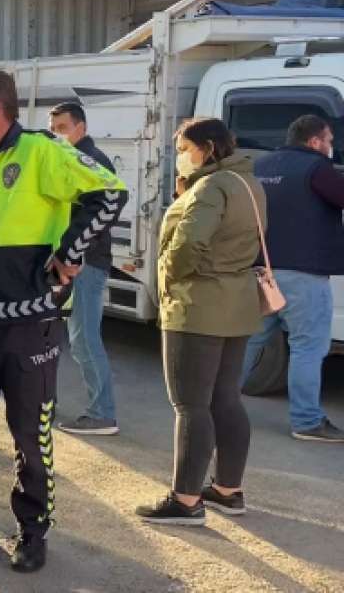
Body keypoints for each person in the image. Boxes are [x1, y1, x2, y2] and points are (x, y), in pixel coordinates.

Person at [0, 69, 126, 573]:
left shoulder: (42, 151)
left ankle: (32, 531)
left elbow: (109, 192)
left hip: (26, 325)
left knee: (29, 435)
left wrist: (70, 250)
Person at [135, 118, 262, 524]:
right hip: (237, 303)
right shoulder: (247, 183)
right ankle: (228, 490)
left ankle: (186, 500)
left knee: (191, 405)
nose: (180, 157)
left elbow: (189, 243)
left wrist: (168, 276)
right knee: (225, 398)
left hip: (197, 306)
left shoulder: (210, 188)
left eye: (185, 148)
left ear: (207, 147)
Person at [241, 115, 344, 442]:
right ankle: (307, 421)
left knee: (246, 342)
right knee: (307, 347)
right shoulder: (317, 169)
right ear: (314, 141)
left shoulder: (262, 166)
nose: (330, 147)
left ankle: (216, 405)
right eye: (328, 141)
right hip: (303, 275)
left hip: (261, 272)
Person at [48, 102, 120, 436]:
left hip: (84, 263)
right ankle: (49, 402)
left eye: (63, 128)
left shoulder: (91, 162)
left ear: (82, 128)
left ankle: (102, 413)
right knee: (63, 336)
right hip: (72, 262)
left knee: (84, 339)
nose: (56, 134)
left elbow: (106, 207)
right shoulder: (69, 159)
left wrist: (72, 253)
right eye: (53, 128)